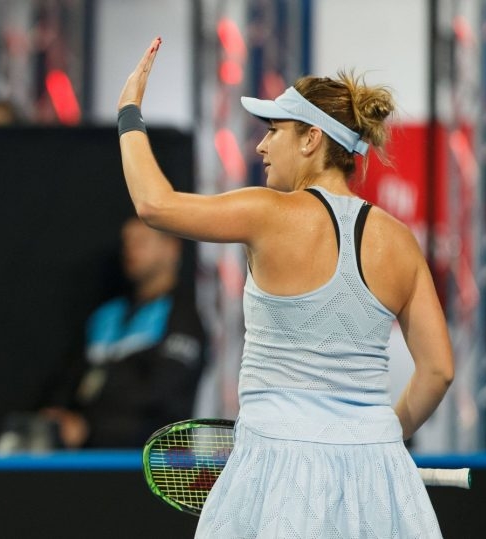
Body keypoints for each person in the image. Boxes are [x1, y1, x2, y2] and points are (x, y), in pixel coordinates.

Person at [118, 38, 453, 537]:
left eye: (274, 130)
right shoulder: (400, 242)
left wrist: (128, 110)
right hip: (381, 480)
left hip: (276, 473)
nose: (261, 145)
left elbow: (153, 204)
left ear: (311, 139)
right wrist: (378, 441)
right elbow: (439, 371)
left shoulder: (267, 214)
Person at [34, 217, 207, 449]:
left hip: (149, 460)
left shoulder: (184, 317)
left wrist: (90, 425)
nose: (131, 250)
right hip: (84, 457)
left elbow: (163, 397)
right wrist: (59, 414)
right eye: (128, 242)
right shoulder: (106, 315)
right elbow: (71, 379)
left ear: (171, 248)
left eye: (142, 242)